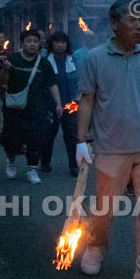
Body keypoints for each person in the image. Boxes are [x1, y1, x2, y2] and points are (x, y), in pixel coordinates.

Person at [75, 0, 140, 279]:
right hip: (110, 147)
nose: (138, 26)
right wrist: (81, 141)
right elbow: (86, 100)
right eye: (132, 20)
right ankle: (96, 246)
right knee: (104, 208)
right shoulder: (95, 58)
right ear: (114, 24)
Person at [1, 29, 62, 184]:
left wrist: (58, 104)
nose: (33, 44)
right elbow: (1, 81)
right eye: (29, 41)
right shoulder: (12, 59)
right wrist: (5, 69)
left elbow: (52, 84)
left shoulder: (44, 63)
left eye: (35, 41)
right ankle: (11, 162)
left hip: (37, 108)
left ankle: (32, 170)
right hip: (14, 107)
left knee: (36, 138)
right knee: (11, 138)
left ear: (40, 44)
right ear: (22, 43)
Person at [41, 31, 79, 176]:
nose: (60, 45)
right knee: (49, 135)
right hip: (51, 105)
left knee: (71, 135)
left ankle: (74, 165)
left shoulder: (73, 60)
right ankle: (45, 161)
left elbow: (79, 81)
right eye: (56, 42)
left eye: (63, 42)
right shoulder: (45, 62)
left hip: (70, 104)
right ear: (51, 44)